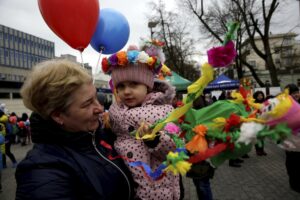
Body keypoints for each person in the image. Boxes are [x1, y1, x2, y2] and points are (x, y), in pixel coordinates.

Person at [15, 59, 135, 199]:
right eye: (87, 104)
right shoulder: (43, 171)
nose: (100, 108)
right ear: (58, 115)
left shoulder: (99, 136)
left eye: (96, 97)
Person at [103, 47, 181, 199]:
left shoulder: (164, 112)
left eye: (133, 84)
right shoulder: (115, 112)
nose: (126, 91)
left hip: (157, 191)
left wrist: (156, 140)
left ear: (148, 86)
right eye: (121, 86)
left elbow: (177, 147)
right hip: (130, 188)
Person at [282, 83, 300, 193]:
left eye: (297, 92)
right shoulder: (284, 106)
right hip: (290, 138)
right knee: (292, 161)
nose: (296, 94)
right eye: (293, 93)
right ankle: (294, 183)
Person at [253, 91, 267, 156]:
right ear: (256, 96)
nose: (260, 97)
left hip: (263, 122)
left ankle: (262, 150)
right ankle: (258, 150)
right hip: (256, 122)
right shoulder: (254, 103)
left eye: (261, 95)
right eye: (259, 96)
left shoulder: (264, 103)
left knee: (262, 137)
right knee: (257, 137)